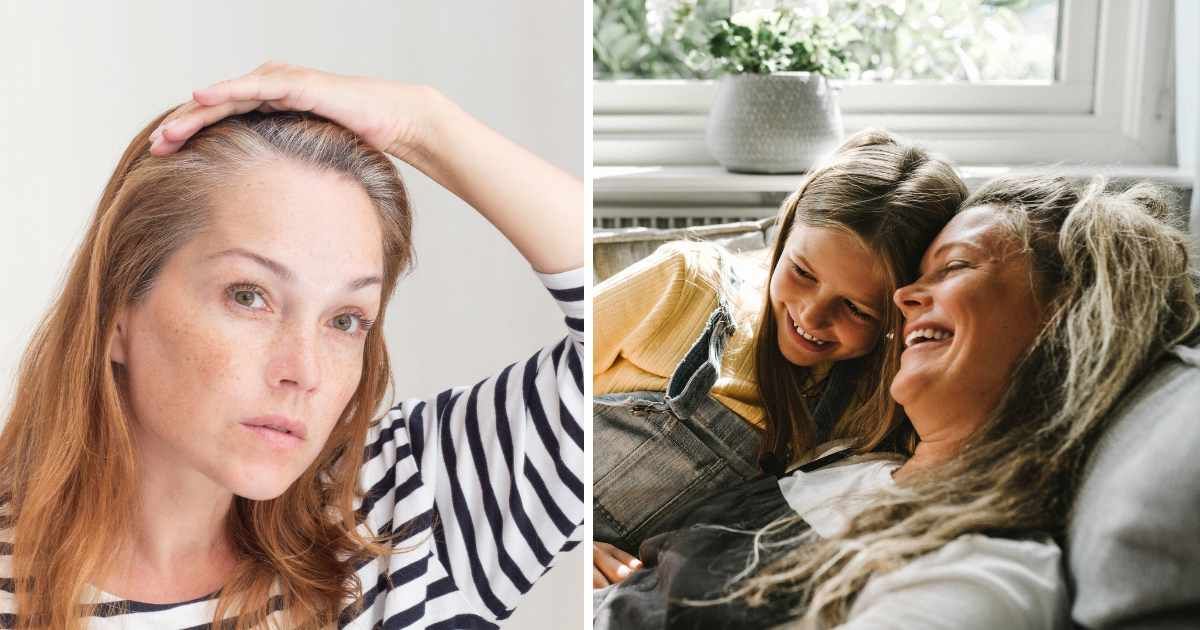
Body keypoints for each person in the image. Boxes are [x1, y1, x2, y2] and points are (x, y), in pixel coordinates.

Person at [0, 63, 583, 629]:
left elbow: (649, 333)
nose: (303, 371)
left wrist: (423, 124)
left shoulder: (401, 516)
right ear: (116, 313)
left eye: (346, 319)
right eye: (250, 296)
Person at [593, 174, 1200, 629]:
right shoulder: (849, 453)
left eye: (954, 267)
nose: (906, 297)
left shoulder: (980, 570)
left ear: (1067, 319)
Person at [592, 130, 966, 583]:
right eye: (802, 272)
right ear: (786, 233)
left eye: (855, 308)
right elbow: (508, 401)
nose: (812, 313)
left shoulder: (868, 407)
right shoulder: (685, 284)